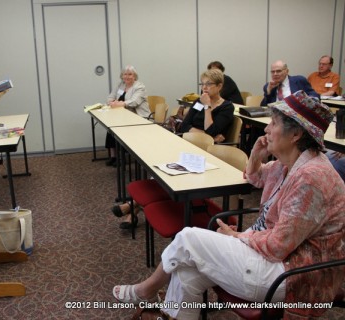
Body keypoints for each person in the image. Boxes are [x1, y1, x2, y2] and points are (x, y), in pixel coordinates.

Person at [113, 91, 345, 319]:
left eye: (273, 123)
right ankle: (157, 301)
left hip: (291, 274)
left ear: (295, 134)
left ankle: (147, 290)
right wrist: (255, 155)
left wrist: (237, 237)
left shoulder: (311, 177)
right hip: (271, 255)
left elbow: (277, 247)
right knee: (187, 270)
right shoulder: (290, 163)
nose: (265, 129)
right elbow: (255, 177)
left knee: (187, 238)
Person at [112, 69, 234, 227]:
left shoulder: (226, 107)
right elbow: (184, 125)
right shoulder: (198, 102)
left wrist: (207, 108)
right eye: (202, 83)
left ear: (219, 86)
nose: (204, 87)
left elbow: (211, 132)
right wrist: (200, 133)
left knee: (167, 176)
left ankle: (132, 208)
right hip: (188, 145)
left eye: (209, 84)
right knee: (162, 171)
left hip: (206, 155)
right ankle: (134, 208)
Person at [105, 65, 150, 166]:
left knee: (120, 129)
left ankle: (122, 158)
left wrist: (120, 103)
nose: (127, 77)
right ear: (122, 76)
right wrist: (111, 102)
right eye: (125, 74)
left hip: (138, 117)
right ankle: (114, 156)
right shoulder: (120, 85)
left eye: (130, 74)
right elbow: (110, 97)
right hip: (121, 115)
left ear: (135, 76)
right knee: (110, 128)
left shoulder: (139, 87)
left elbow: (134, 102)